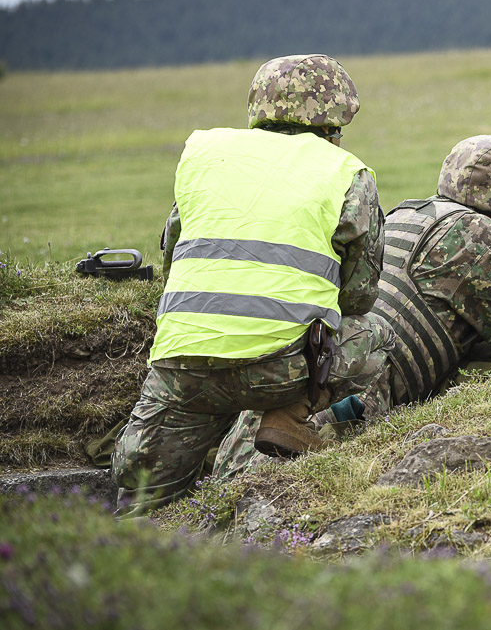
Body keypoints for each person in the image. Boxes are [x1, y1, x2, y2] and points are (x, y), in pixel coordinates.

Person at [211, 134, 491, 477]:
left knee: (224, 504)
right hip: (346, 406)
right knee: (276, 506)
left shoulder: (410, 213)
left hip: (300, 380)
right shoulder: (474, 232)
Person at [111, 54, 395, 512]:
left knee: (140, 493)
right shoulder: (347, 174)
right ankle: (288, 417)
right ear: (336, 117)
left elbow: (173, 261)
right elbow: (359, 295)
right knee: (374, 336)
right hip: (279, 371)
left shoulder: (206, 155)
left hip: (183, 366)